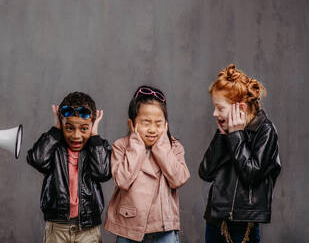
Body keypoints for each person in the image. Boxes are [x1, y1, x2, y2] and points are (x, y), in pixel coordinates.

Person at [199, 64, 281, 243]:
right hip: (215, 220)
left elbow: (251, 174)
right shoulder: (226, 130)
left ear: (241, 109)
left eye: (220, 108)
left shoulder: (265, 131)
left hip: (244, 227)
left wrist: (236, 135)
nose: (214, 113)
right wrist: (223, 135)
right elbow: (205, 173)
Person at [105, 85, 190, 243]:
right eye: (145, 123)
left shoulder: (174, 147)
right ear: (131, 124)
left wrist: (162, 147)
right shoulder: (121, 146)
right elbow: (122, 180)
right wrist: (136, 146)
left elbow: (178, 179)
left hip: (164, 228)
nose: (152, 129)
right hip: (130, 227)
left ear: (166, 125)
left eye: (158, 123)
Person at [26, 91, 112, 243]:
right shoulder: (55, 147)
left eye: (84, 129)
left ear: (92, 125)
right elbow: (37, 159)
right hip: (57, 226)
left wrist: (95, 136)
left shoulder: (97, 146)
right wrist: (55, 129)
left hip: (88, 228)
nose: (76, 135)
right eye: (69, 128)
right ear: (62, 125)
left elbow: (102, 173)